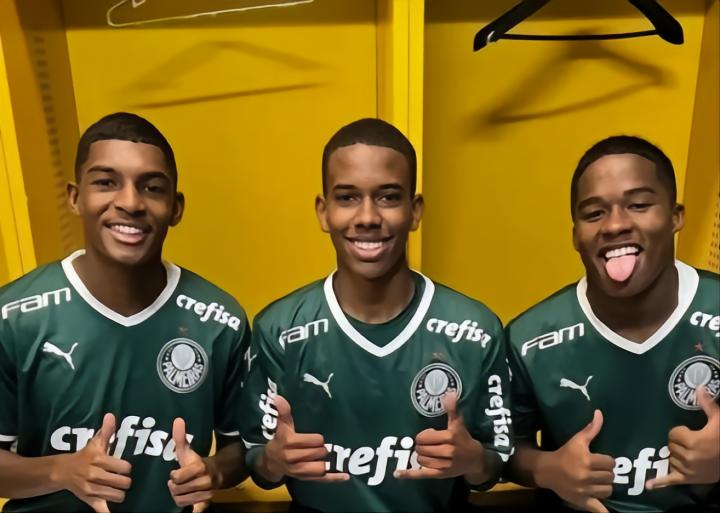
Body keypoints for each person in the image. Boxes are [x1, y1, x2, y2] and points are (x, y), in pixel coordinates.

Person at [240, 118, 512, 512]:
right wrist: (273, 461)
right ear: (323, 212)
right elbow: (258, 463)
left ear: (415, 211)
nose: (367, 216)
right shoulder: (279, 329)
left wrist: (474, 461)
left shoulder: (476, 331)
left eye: (388, 197)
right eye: (347, 197)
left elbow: (494, 463)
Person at [0, 112, 249, 512]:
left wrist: (213, 473)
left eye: (152, 187)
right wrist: (61, 471)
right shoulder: (14, 317)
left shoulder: (220, 321)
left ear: (176, 207)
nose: (130, 203)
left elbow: (243, 449)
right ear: (75, 197)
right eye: (105, 182)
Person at [505, 135, 720, 513]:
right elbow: (502, 450)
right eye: (593, 213)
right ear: (575, 235)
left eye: (638, 205)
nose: (615, 224)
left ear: (675, 217)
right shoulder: (528, 340)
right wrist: (546, 468)